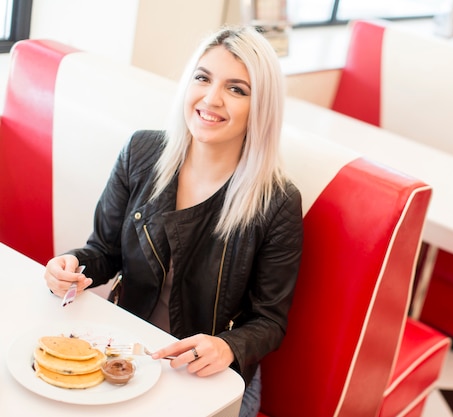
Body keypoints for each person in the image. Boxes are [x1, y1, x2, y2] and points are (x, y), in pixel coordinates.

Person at [43, 25, 303, 417]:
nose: (211, 99)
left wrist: (228, 346)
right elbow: (103, 252)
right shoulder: (141, 151)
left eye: (237, 89)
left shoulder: (277, 202)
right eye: (203, 78)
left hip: (207, 377)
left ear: (261, 106)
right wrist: (69, 266)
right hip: (128, 351)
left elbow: (269, 320)